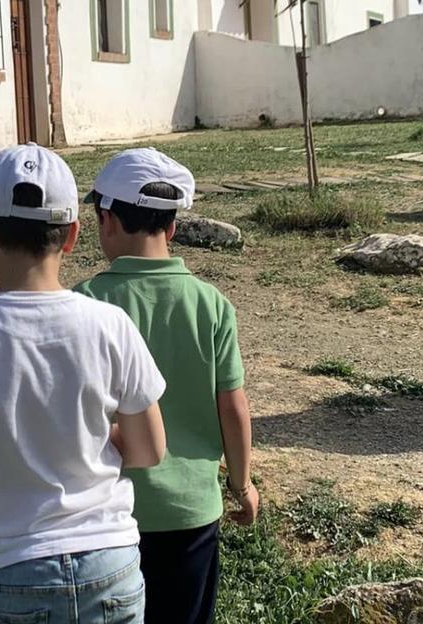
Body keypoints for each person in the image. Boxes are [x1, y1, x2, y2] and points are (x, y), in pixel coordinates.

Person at [0, 143, 167, 624]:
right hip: (110, 563)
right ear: (73, 234)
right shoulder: (111, 324)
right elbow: (150, 450)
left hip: (12, 571)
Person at [75, 148, 257, 624]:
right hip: (190, 513)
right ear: (172, 227)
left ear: (106, 220)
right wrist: (242, 483)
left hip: (107, 510)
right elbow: (232, 407)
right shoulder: (211, 304)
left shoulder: (85, 302)